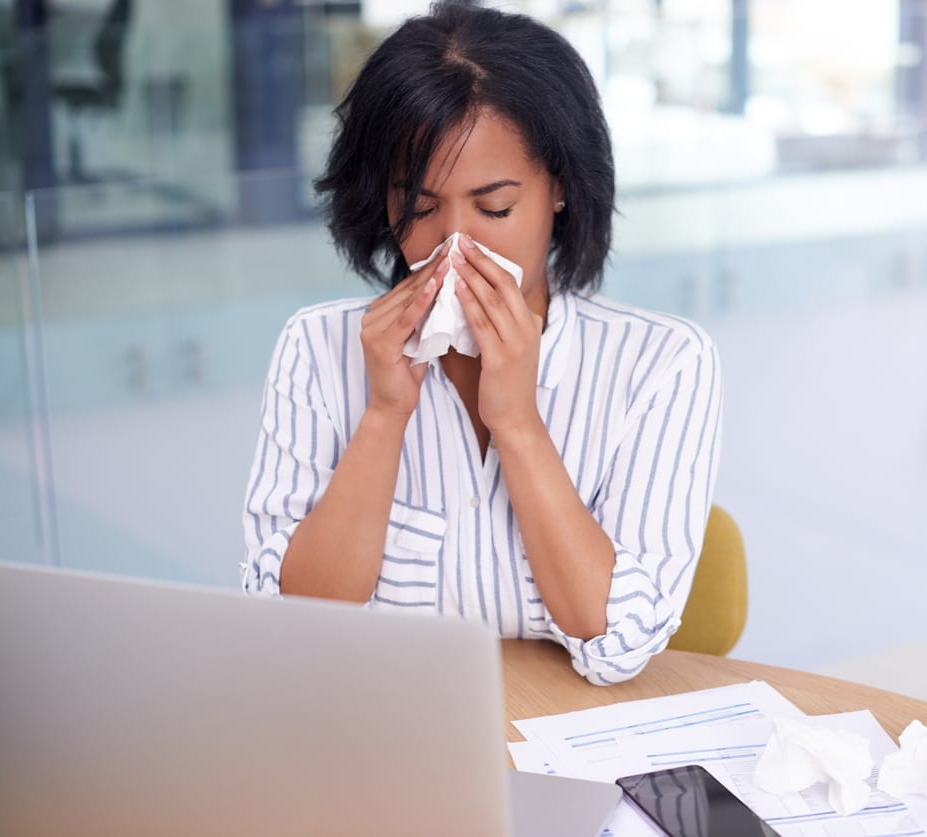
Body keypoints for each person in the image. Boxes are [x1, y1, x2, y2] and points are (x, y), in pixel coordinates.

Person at [241, 2, 722, 685]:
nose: (453, 246)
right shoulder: (316, 349)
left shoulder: (661, 366)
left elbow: (619, 644)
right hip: (382, 734)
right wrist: (383, 416)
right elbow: (293, 623)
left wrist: (519, 425)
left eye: (494, 208)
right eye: (420, 206)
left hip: (572, 738)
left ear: (559, 187)